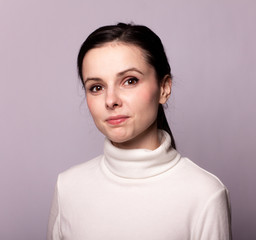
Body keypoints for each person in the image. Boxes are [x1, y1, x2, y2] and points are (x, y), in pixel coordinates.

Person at [47, 23, 232, 240]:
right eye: (96, 87)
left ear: (164, 88)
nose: (111, 100)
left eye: (129, 81)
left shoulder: (205, 194)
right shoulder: (68, 187)